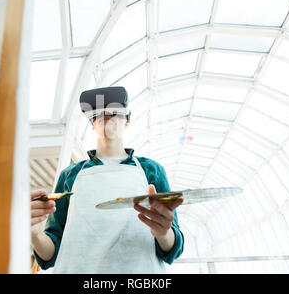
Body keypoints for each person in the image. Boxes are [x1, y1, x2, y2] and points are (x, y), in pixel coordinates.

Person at [30, 86, 184, 273]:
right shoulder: (69, 175)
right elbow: (51, 254)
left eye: (114, 111)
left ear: (127, 120)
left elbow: (172, 249)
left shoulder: (151, 170)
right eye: (98, 113)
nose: (106, 114)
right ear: (93, 124)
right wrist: (35, 235)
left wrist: (164, 232)